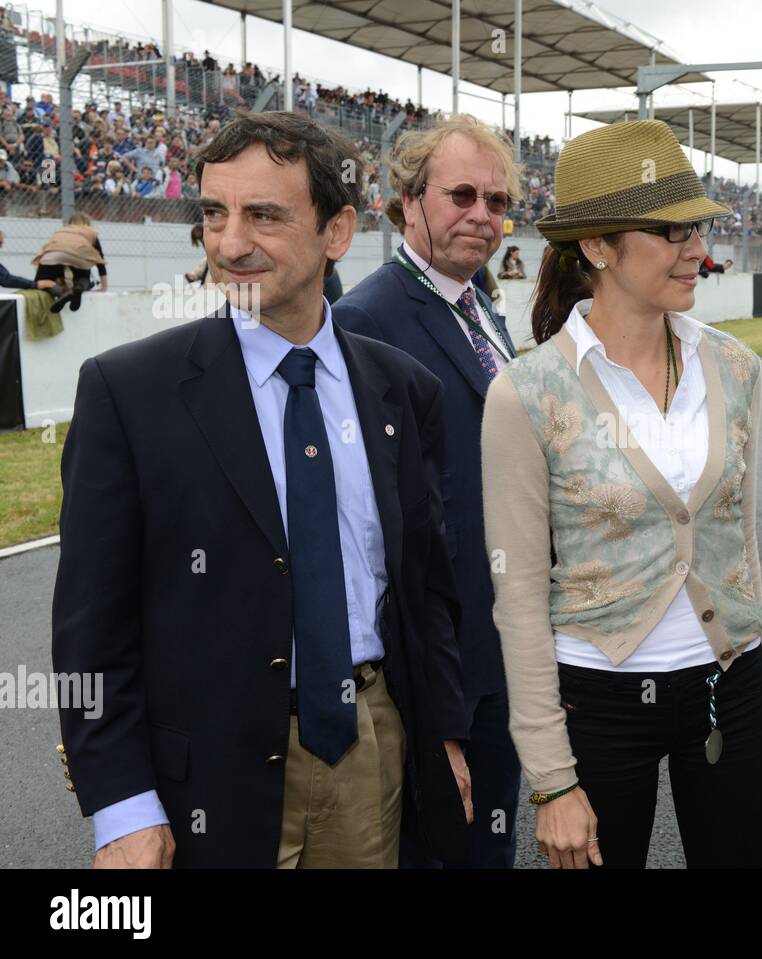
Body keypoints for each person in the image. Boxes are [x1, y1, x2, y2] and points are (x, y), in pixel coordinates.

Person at [52, 110, 473, 869]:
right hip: (206, 778)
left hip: (370, 751)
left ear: (337, 232)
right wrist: (121, 806)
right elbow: (90, 629)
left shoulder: (403, 391)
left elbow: (425, 589)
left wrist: (443, 731)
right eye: (214, 214)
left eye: (264, 216)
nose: (230, 244)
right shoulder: (128, 392)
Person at [482, 119, 762, 870]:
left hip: (729, 685)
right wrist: (550, 780)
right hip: (598, 706)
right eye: (670, 231)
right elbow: (516, 596)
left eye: (698, 229)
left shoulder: (737, 367)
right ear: (596, 247)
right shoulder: (525, 392)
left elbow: (739, 532)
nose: (697, 250)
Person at [332, 113, 522, 869]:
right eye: (464, 195)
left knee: (491, 843)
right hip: (434, 661)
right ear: (409, 202)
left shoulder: (483, 308)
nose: (483, 215)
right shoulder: (364, 319)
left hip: (504, 642)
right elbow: (371, 520)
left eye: (499, 201)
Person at [31, 213, 108, 313]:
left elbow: (47, 250)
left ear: (70, 223)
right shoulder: (90, 233)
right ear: (87, 223)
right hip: (78, 256)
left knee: (43, 282)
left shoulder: (61, 232)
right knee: (83, 277)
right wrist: (104, 286)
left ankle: (62, 293)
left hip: (52, 256)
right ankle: (78, 289)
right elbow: (100, 261)